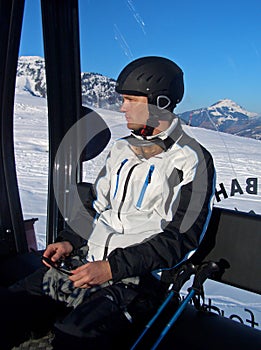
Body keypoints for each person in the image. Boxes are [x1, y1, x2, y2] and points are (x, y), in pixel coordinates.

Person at [2, 56, 216, 349]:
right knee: (11, 305)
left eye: (130, 99)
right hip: (87, 266)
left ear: (160, 102)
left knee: (72, 337)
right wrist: (69, 241)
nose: (122, 107)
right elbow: (96, 205)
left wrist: (111, 268)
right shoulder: (121, 149)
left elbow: (180, 239)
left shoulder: (193, 160)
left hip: (137, 282)